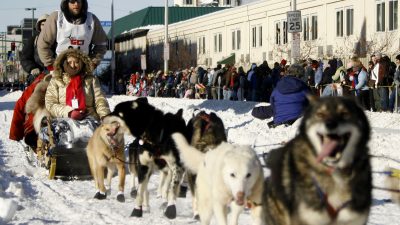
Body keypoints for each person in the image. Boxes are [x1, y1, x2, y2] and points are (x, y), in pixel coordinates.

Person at [37, 0, 108, 72]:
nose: (76, 4)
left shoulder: (91, 20)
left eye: (79, 1)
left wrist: (93, 63)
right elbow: (43, 44)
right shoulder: (56, 17)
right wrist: (51, 66)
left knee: (93, 83)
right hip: (60, 67)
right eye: (72, 1)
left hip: (83, 69)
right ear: (66, 3)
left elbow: (101, 44)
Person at [45, 48, 110, 121]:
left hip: (89, 119)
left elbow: (100, 100)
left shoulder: (91, 80)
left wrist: (105, 116)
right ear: (63, 63)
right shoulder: (56, 80)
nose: (73, 65)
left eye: (76, 62)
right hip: (64, 120)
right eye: (69, 62)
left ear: (82, 63)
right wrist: (69, 112)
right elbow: (50, 104)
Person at [20, 14, 49, 86]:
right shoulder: (33, 40)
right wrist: (32, 68)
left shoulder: (58, 40)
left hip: (53, 74)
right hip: (37, 75)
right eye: (42, 24)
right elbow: (25, 58)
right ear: (39, 26)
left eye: (47, 24)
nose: (45, 27)